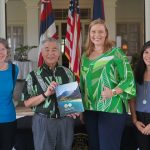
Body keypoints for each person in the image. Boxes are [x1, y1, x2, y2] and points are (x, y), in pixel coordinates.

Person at [80, 19, 136, 150]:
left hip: (112, 108)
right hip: (90, 110)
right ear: (89, 34)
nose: (97, 35)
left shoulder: (116, 53)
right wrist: (81, 108)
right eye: (93, 31)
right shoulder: (85, 56)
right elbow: (83, 84)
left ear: (106, 34)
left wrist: (113, 92)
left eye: (100, 31)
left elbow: (129, 79)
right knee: (94, 146)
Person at [21, 38, 79, 150]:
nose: (50, 53)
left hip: (65, 123)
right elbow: (27, 102)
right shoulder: (33, 75)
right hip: (43, 122)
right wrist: (45, 94)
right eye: (47, 50)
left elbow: (73, 101)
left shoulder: (68, 73)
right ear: (42, 53)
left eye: (54, 49)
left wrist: (74, 109)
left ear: (59, 53)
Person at [129, 41, 150, 150]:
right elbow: (132, 99)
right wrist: (135, 120)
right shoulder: (136, 74)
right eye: (146, 52)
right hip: (139, 118)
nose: (148, 56)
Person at [0, 38, 19, 150]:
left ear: (7, 51)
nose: (0, 53)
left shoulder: (13, 69)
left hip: (8, 119)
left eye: (2, 49)